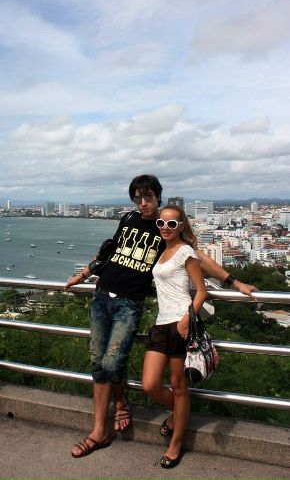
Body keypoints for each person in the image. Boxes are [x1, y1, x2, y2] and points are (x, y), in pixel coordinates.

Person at [64, 174, 257, 459]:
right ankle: (99, 430)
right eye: (138, 198)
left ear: (157, 197)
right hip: (102, 295)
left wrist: (234, 282)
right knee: (98, 364)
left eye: (148, 197)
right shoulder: (128, 219)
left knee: (113, 362)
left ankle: (125, 403)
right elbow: (108, 252)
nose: (143, 203)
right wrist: (82, 275)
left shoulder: (166, 230)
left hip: (131, 303)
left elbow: (199, 258)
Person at [142, 204, 206, 469]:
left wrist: (186, 320)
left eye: (171, 224)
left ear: (180, 226)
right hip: (160, 324)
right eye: (161, 223)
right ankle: (180, 414)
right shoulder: (161, 250)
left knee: (179, 386)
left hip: (181, 323)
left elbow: (201, 291)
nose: (165, 228)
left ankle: (176, 442)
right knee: (150, 384)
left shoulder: (185, 251)